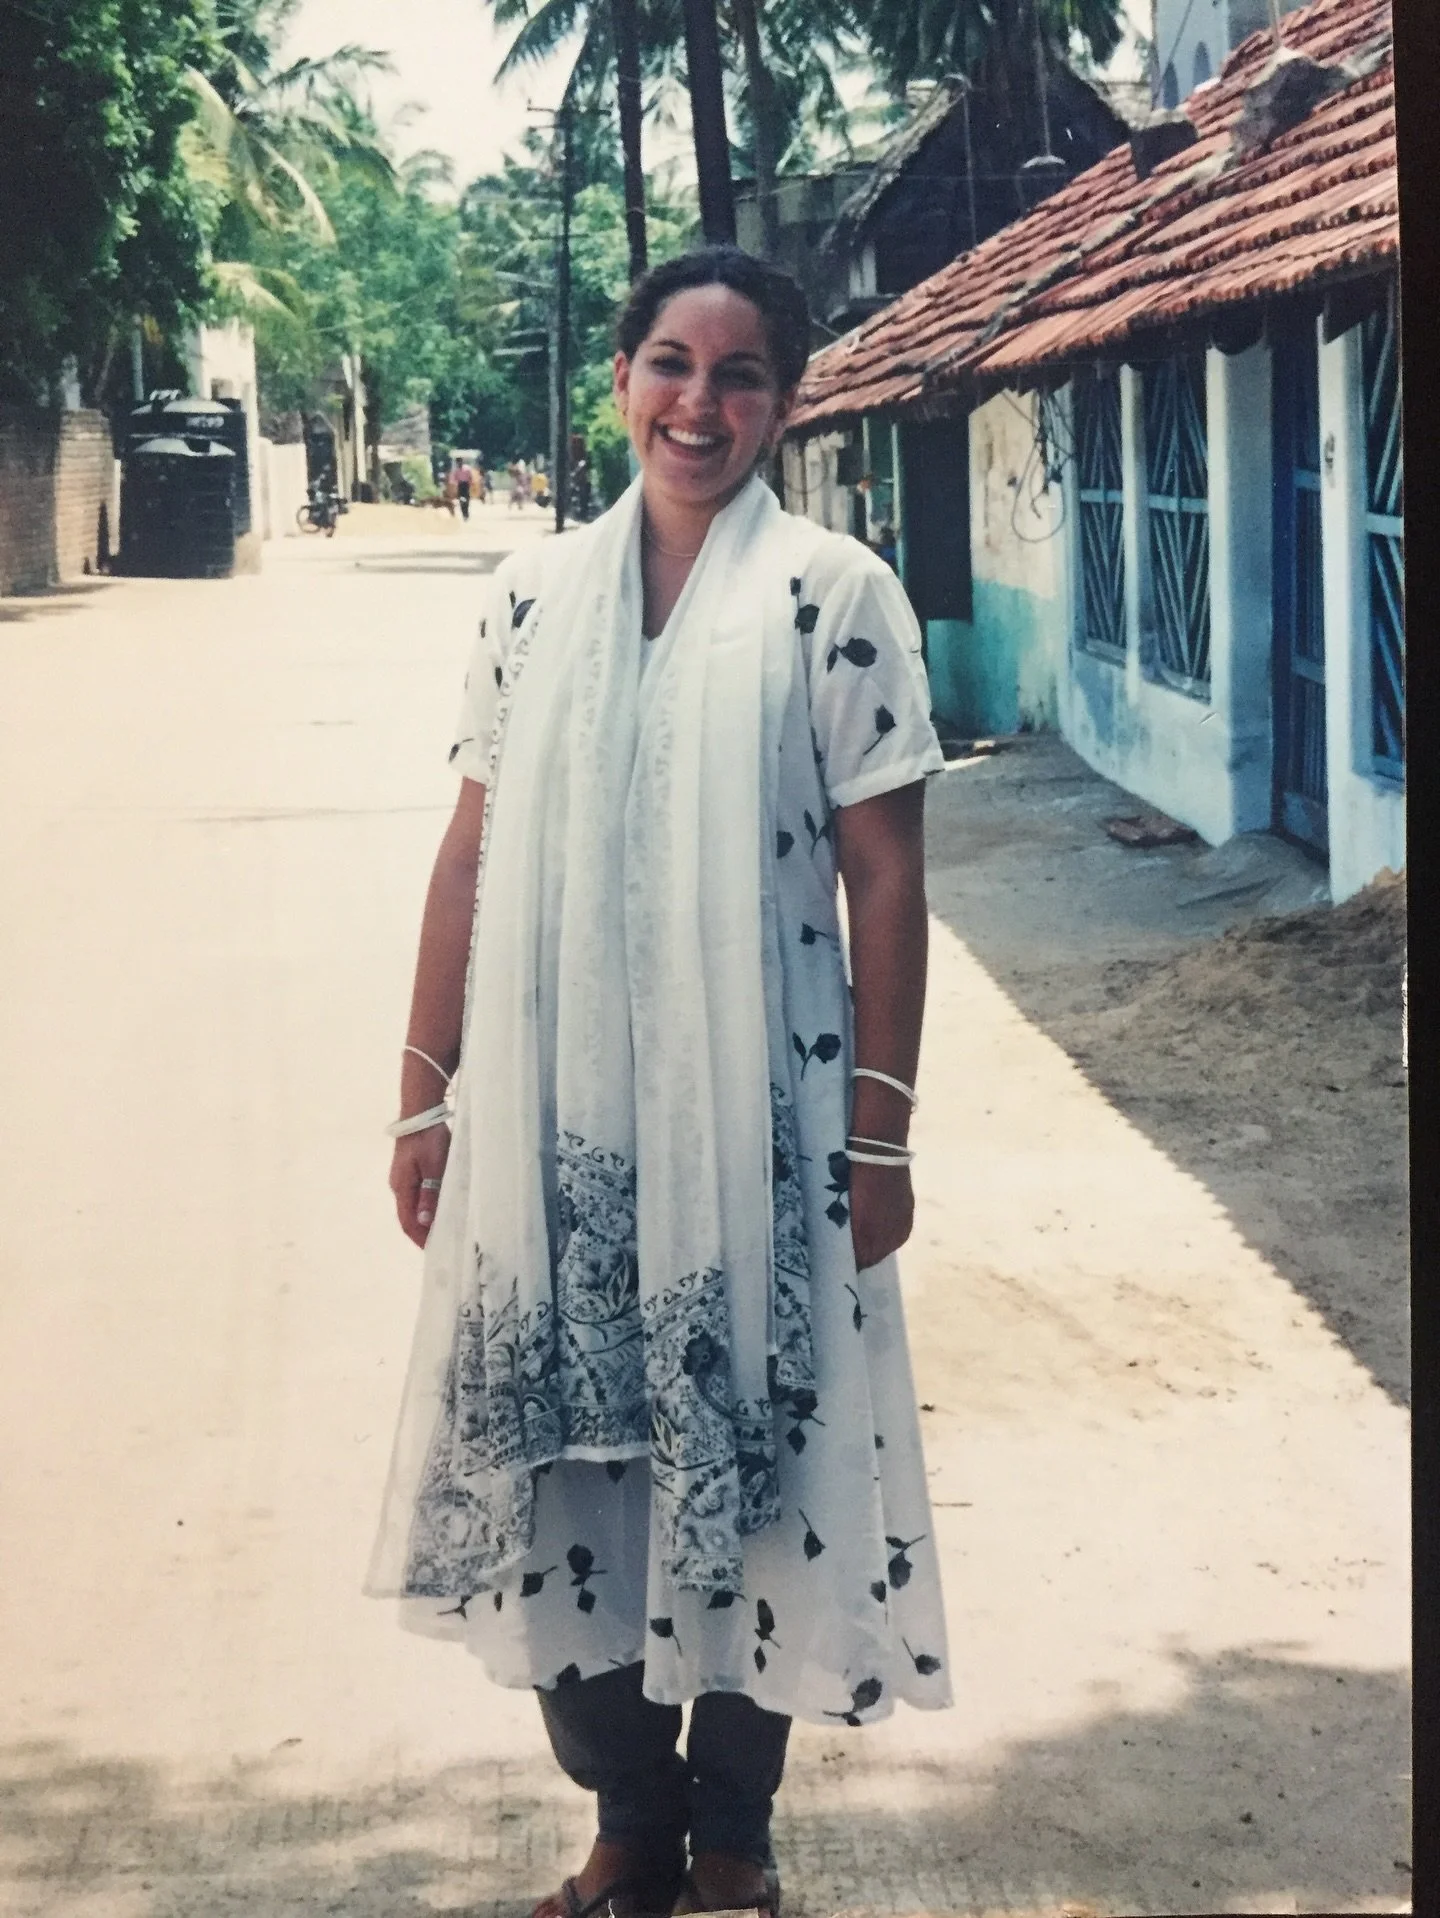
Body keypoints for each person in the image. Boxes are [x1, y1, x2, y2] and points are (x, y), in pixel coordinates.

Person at [370, 246, 952, 1918]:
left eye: (744, 372)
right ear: (620, 377)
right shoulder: (531, 595)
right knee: (567, 1467)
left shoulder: (833, 595)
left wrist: (881, 1131)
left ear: (788, 399)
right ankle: (624, 1819)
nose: (702, 404)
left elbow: (888, 880)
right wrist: (426, 1092)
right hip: (554, 1129)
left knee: (752, 1469)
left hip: (762, 1125)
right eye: (674, 365)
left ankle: (729, 1845)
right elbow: (472, 856)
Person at [454, 456, 475, 521]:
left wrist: (471, 484)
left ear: (462, 462)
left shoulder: (467, 468)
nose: (459, 464)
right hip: (460, 485)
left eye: (459, 462)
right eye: (457, 462)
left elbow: (470, 477)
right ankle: (464, 514)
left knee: (466, 500)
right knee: (461, 500)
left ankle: (466, 513)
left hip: (466, 484)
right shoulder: (456, 470)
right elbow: (455, 478)